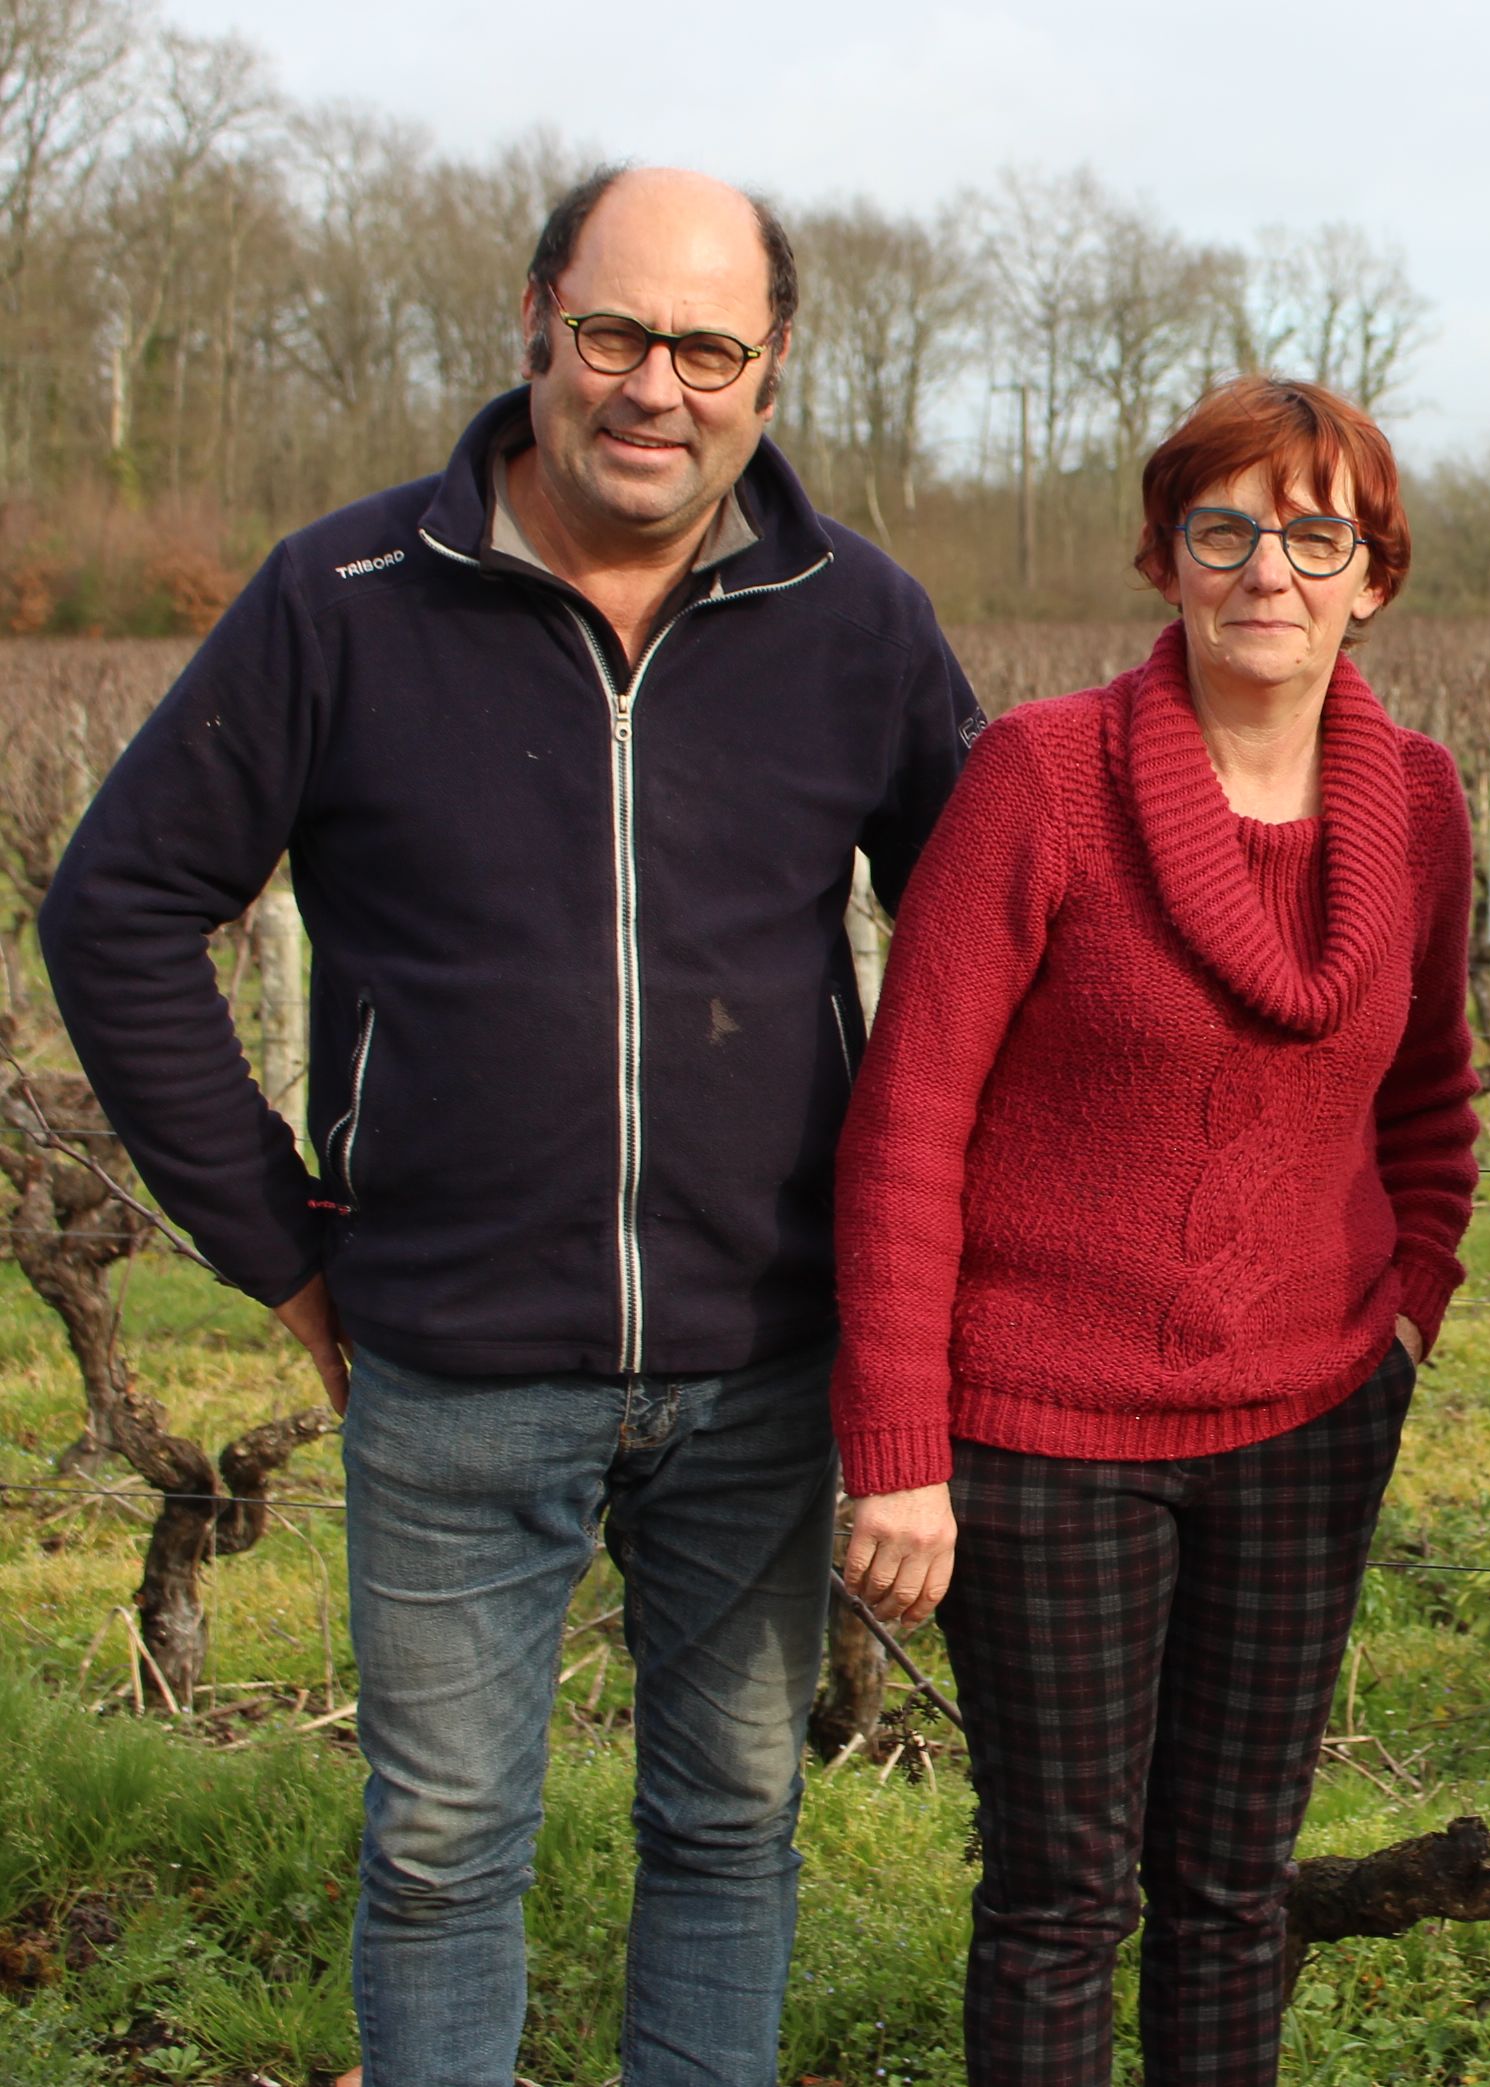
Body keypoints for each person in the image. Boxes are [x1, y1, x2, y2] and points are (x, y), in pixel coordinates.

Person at [37, 166, 980, 2082]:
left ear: (772, 369)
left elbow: (985, 952)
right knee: (449, 1848)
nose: (657, 388)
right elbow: (114, 909)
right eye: (617, 333)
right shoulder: (342, 598)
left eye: (708, 348)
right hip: (455, 1365)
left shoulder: (855, 616)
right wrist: (279, 1245)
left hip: (765, 1354)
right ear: (537, 320)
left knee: (731, 1826)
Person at [827, 374, 1478, 2086]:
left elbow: (1429, 1097)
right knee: (1057, 1892)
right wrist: (897, 1440)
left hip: (1311, 1421)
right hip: (1042, 1435)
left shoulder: (1416, 803)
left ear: (1372, 576)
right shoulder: (1041, 782)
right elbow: (908, 1121)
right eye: (1226, 528)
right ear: (1167, 557)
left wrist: (1405, 1311)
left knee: (1233, 1890)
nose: (1270, 569)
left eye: (1314, 534)